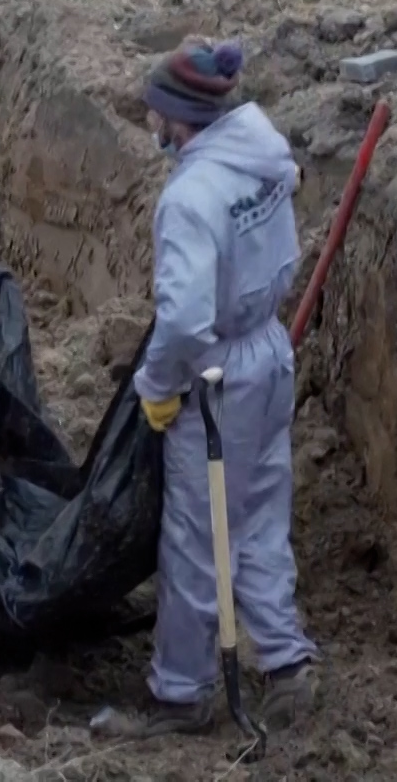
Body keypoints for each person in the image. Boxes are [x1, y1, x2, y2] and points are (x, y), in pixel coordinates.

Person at [131, 40, 319, 734]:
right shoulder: (261, 146)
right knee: (262, 515)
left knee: (196, 535)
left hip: (217, 377)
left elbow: (182, 320)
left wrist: (157, 384)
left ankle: (182, 691)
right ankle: (285, 662)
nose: (149, 122)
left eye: (154, 111)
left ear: (179, 118)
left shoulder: (189, 198)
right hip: (271, 352)